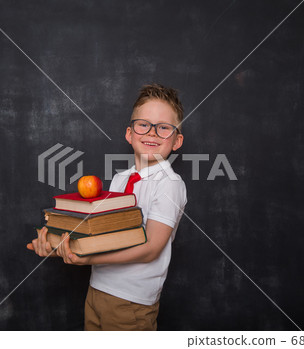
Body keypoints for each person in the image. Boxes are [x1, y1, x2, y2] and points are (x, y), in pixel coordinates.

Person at [30, 83, 187, 330]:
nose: (152, 133)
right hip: (96, 290)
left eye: (164, 128)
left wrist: (88, 258)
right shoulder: (120, 179)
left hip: (132, 302)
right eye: (143, 124)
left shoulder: (170, 185)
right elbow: (101, 234)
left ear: (176, 141)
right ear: (130, 133)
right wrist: (55, 244)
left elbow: (151, 249)